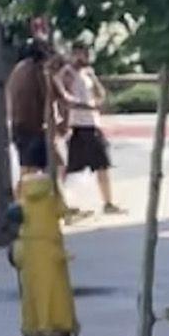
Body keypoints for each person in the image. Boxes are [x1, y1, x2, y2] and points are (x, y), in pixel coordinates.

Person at [50, 40, 116, 215]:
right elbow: (64, 99)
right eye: (81, 53)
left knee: (102, 163)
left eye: (87, 53)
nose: (85, 57)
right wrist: (87, 107)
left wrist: (94, 81)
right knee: (67, 167)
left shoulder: (88, 72)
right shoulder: (67, 73)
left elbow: (100, 93)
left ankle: (108, 202)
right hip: (78, 125)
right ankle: (57, 201)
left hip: (92, 123)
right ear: (73, 54)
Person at [1, 32, 54, 183]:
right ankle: (26, 202)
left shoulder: (18, 69)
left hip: (19, 126)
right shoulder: (38, 70)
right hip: (34, 127)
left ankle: (22, 201)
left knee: (27, 169)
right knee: (42, 168)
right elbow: (46, 97)